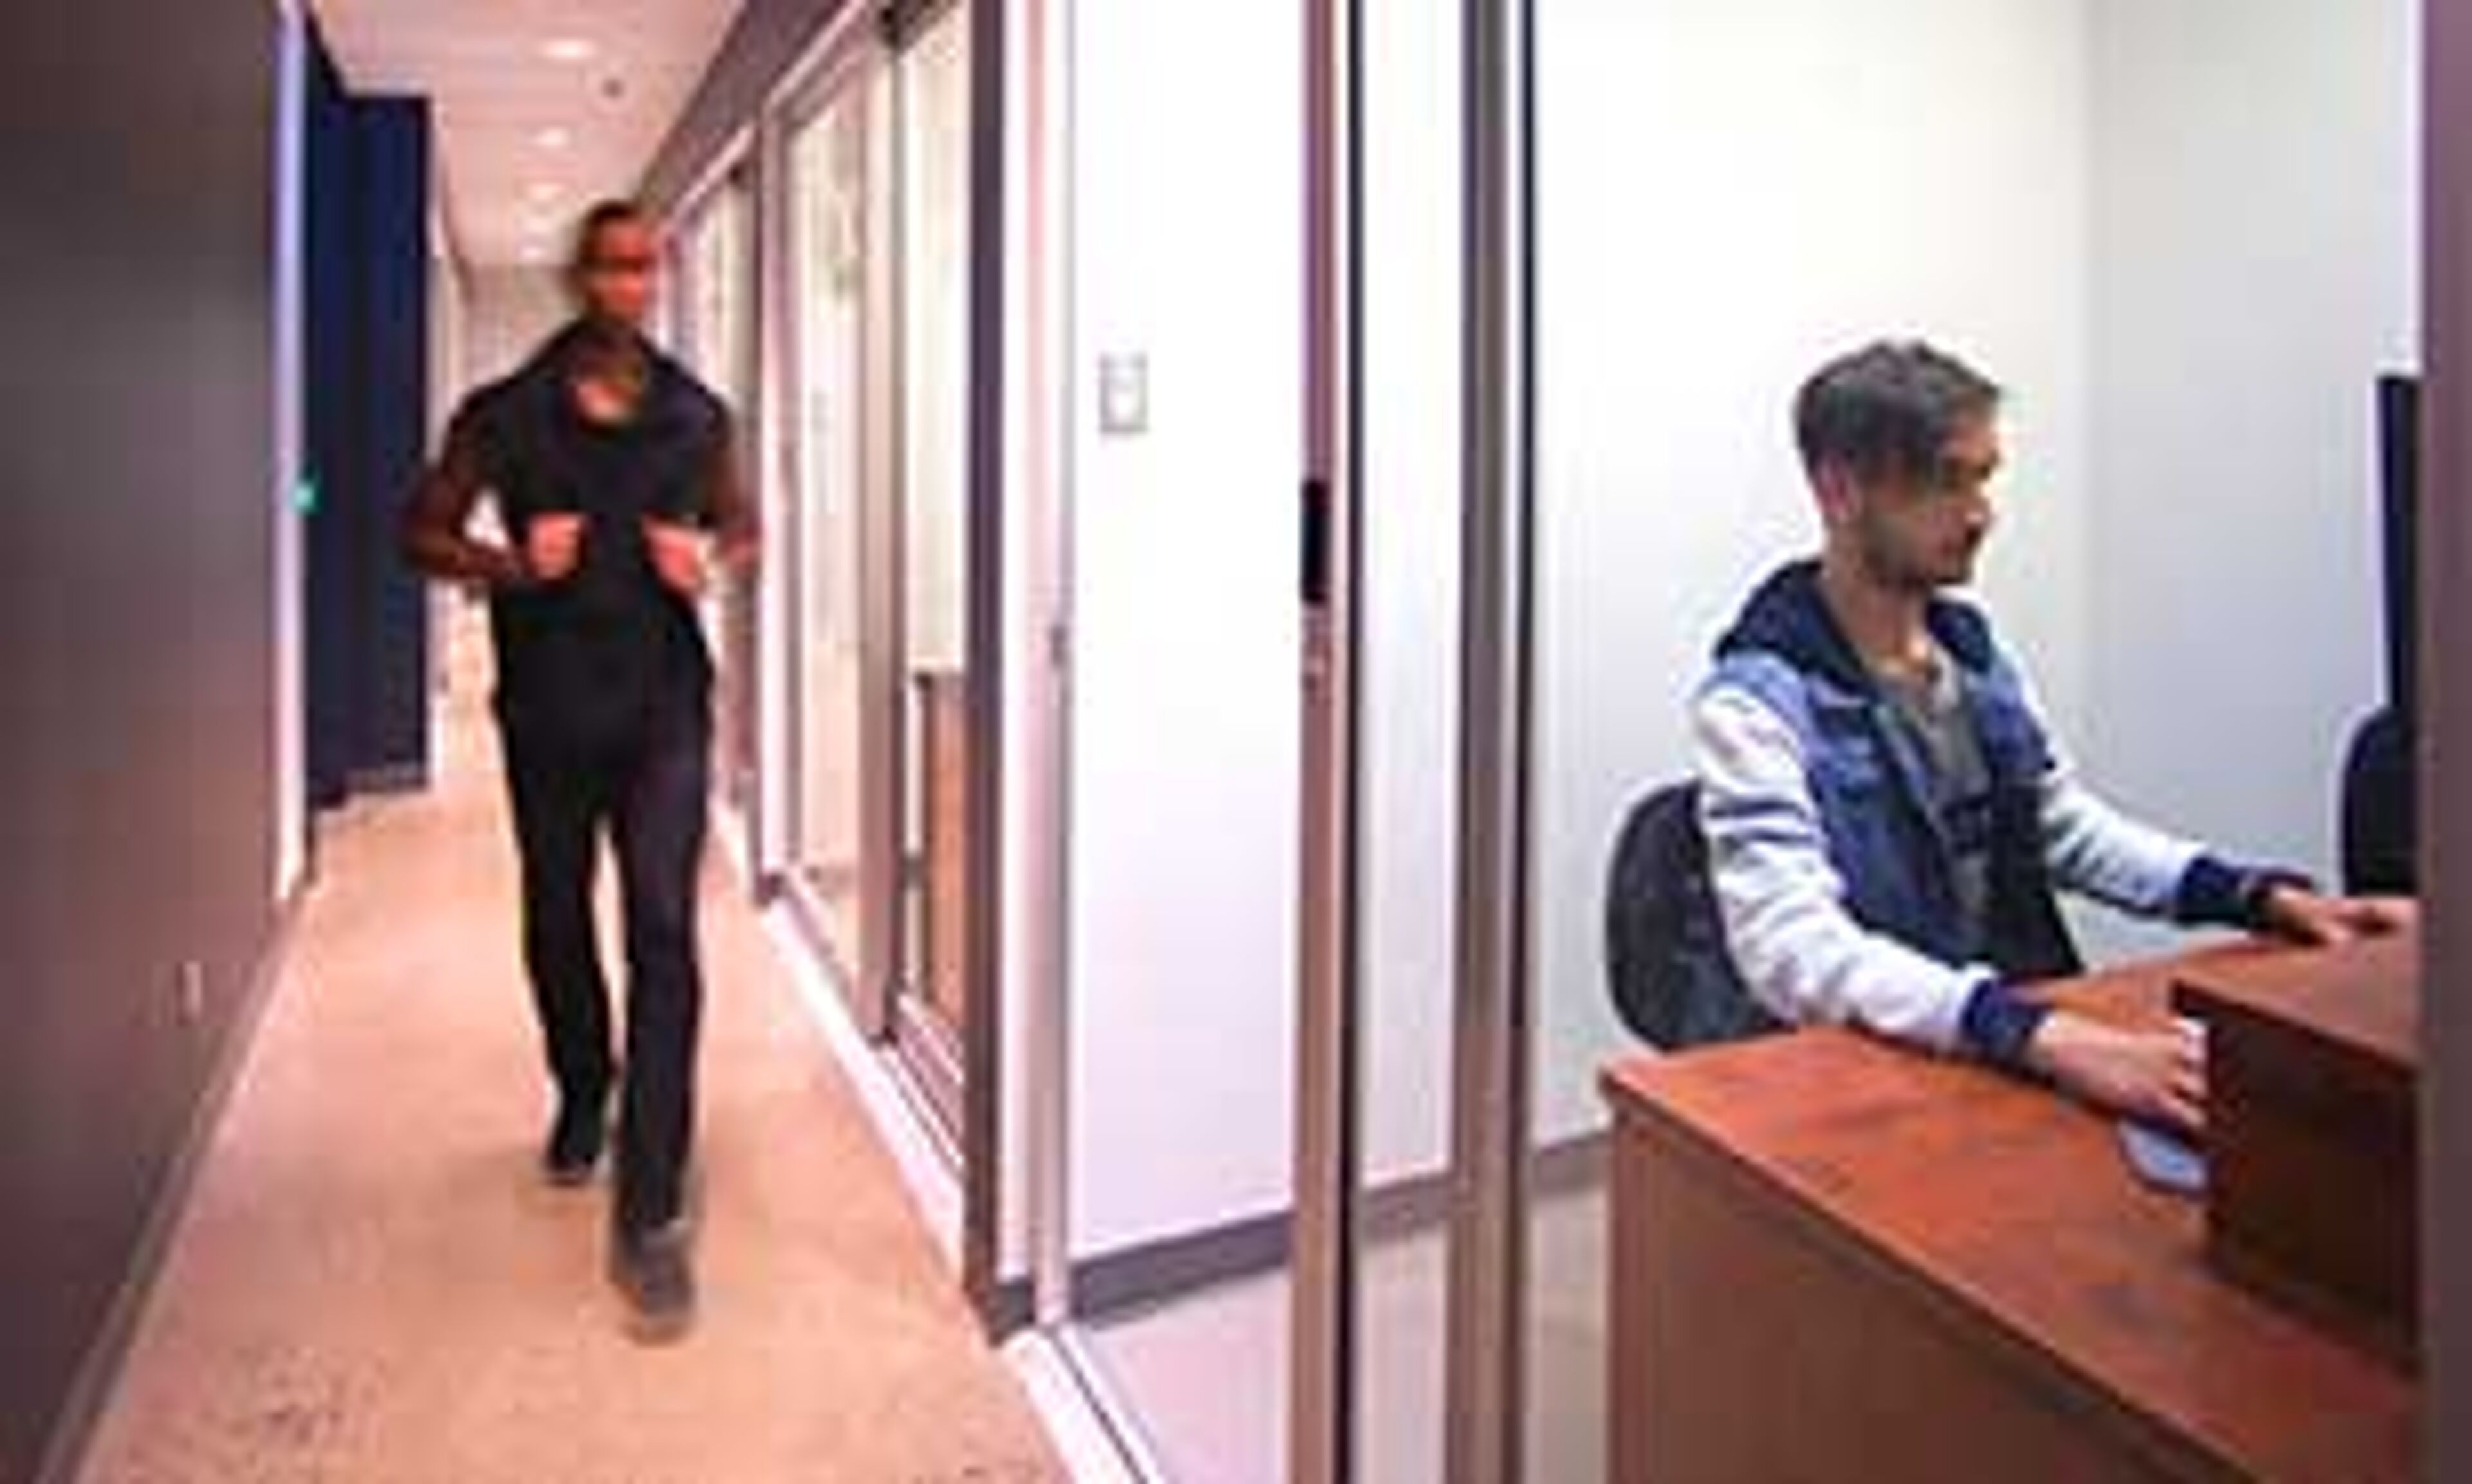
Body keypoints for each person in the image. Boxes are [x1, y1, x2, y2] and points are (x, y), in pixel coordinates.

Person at [1692, 339, 2411, 1135]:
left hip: (1991, 1043)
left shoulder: (1969, 651)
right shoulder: (1755, 703)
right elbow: (1792, 947)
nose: (1980, 515)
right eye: (1944, 481)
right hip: (1860, 1079)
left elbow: (2058, 825)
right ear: (1840, 492)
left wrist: (2259, 897)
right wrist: (2033, 1032)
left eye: (1983, 477)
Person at [400, 199, 758, 1340]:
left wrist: (709, 556)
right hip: (549, 712)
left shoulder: (698, 417)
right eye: (610, 267)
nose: (628, 287)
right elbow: (420, 529)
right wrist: (507, 563)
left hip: (664, 711)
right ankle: (584, 1086)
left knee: (662, 927)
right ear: (578, 277)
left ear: (658, 279)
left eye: (645, 269)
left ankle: (650, 1207)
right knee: (558, 914)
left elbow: (745, 529)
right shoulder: (504, 417)